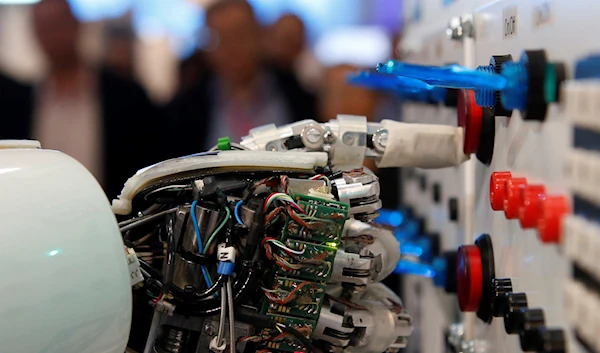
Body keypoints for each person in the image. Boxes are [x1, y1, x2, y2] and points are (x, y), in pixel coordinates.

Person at [0, 0, 162, 199]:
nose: (52, 36)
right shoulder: (20, 105)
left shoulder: (125, 96)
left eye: (57, 24)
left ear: (76, 25)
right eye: (43, 27)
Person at [168, 0, 317, 155]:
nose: (231, 48)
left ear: (259, 36)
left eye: (239, 35)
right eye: (219, 39)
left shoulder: (297, 96)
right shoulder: (186, 110)